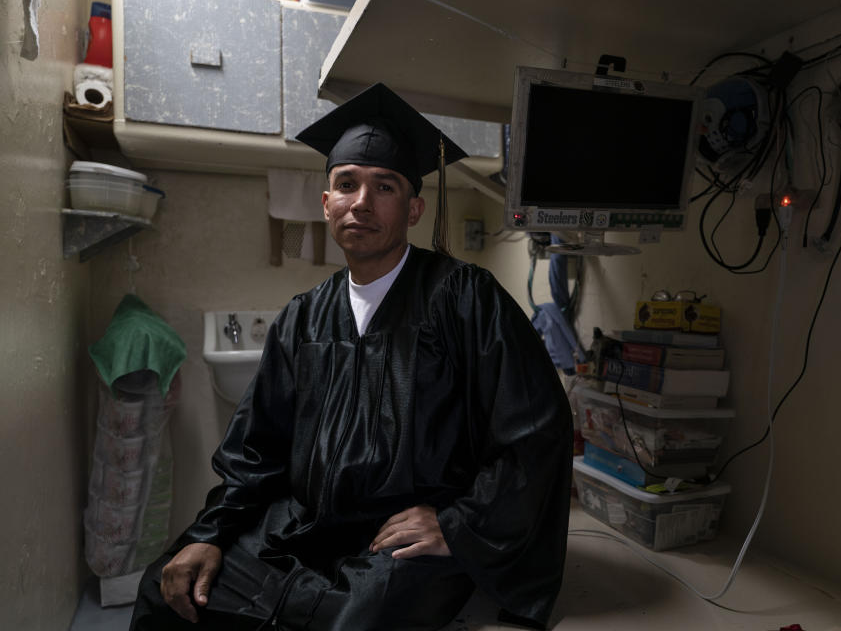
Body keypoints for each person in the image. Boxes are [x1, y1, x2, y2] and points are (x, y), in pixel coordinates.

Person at [130, 83, 573, 631]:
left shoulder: (463, 298)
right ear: (327, 204)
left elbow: (534, 432)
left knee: (346, 622)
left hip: (400, 542)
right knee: (168, 586)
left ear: (413, 208)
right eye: (346, 184)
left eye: (383, 186)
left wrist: (458, 524)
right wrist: (210, 534)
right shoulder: (303, 317)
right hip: (303, 524)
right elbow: (256, 450)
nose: (361, 202)